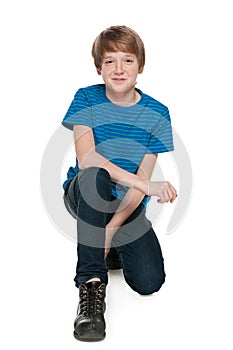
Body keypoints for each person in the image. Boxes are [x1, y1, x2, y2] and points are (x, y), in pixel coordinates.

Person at [62, 25, 177, 342]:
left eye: (127, 60)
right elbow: (88, 160)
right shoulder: (86, 98)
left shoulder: (157, 113)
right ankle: (91, 290)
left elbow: (141, 184)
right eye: (109, 61)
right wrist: (146, 186)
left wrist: (111, 229)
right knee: (95, 177)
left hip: (126, 203)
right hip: (85, 191)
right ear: (98, 67)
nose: (118, 69)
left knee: (149, 282)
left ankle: (108, 247)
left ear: (141, 65)